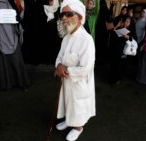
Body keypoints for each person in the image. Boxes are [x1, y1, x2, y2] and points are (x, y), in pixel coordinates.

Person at [54, 0, 96, 140]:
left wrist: (66, 70)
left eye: (68, 14)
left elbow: (86, 68)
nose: (64, 18)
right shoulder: (66, 37)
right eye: (62, 15)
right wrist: (58, 66)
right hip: (66, 80)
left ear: (80, 16)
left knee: (77, 105)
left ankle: (78, 127)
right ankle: (69, 121)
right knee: (67, 102)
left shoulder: (87, 40)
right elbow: (59, 57)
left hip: (79, 83)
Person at [0, 0, 30, 91]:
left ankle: (21, 83)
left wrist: (18, 20)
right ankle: (7, 85)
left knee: (17, 61)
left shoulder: (16, 1)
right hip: (1, 38)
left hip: (13, 37)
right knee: (4, 62)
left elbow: (21, 16)